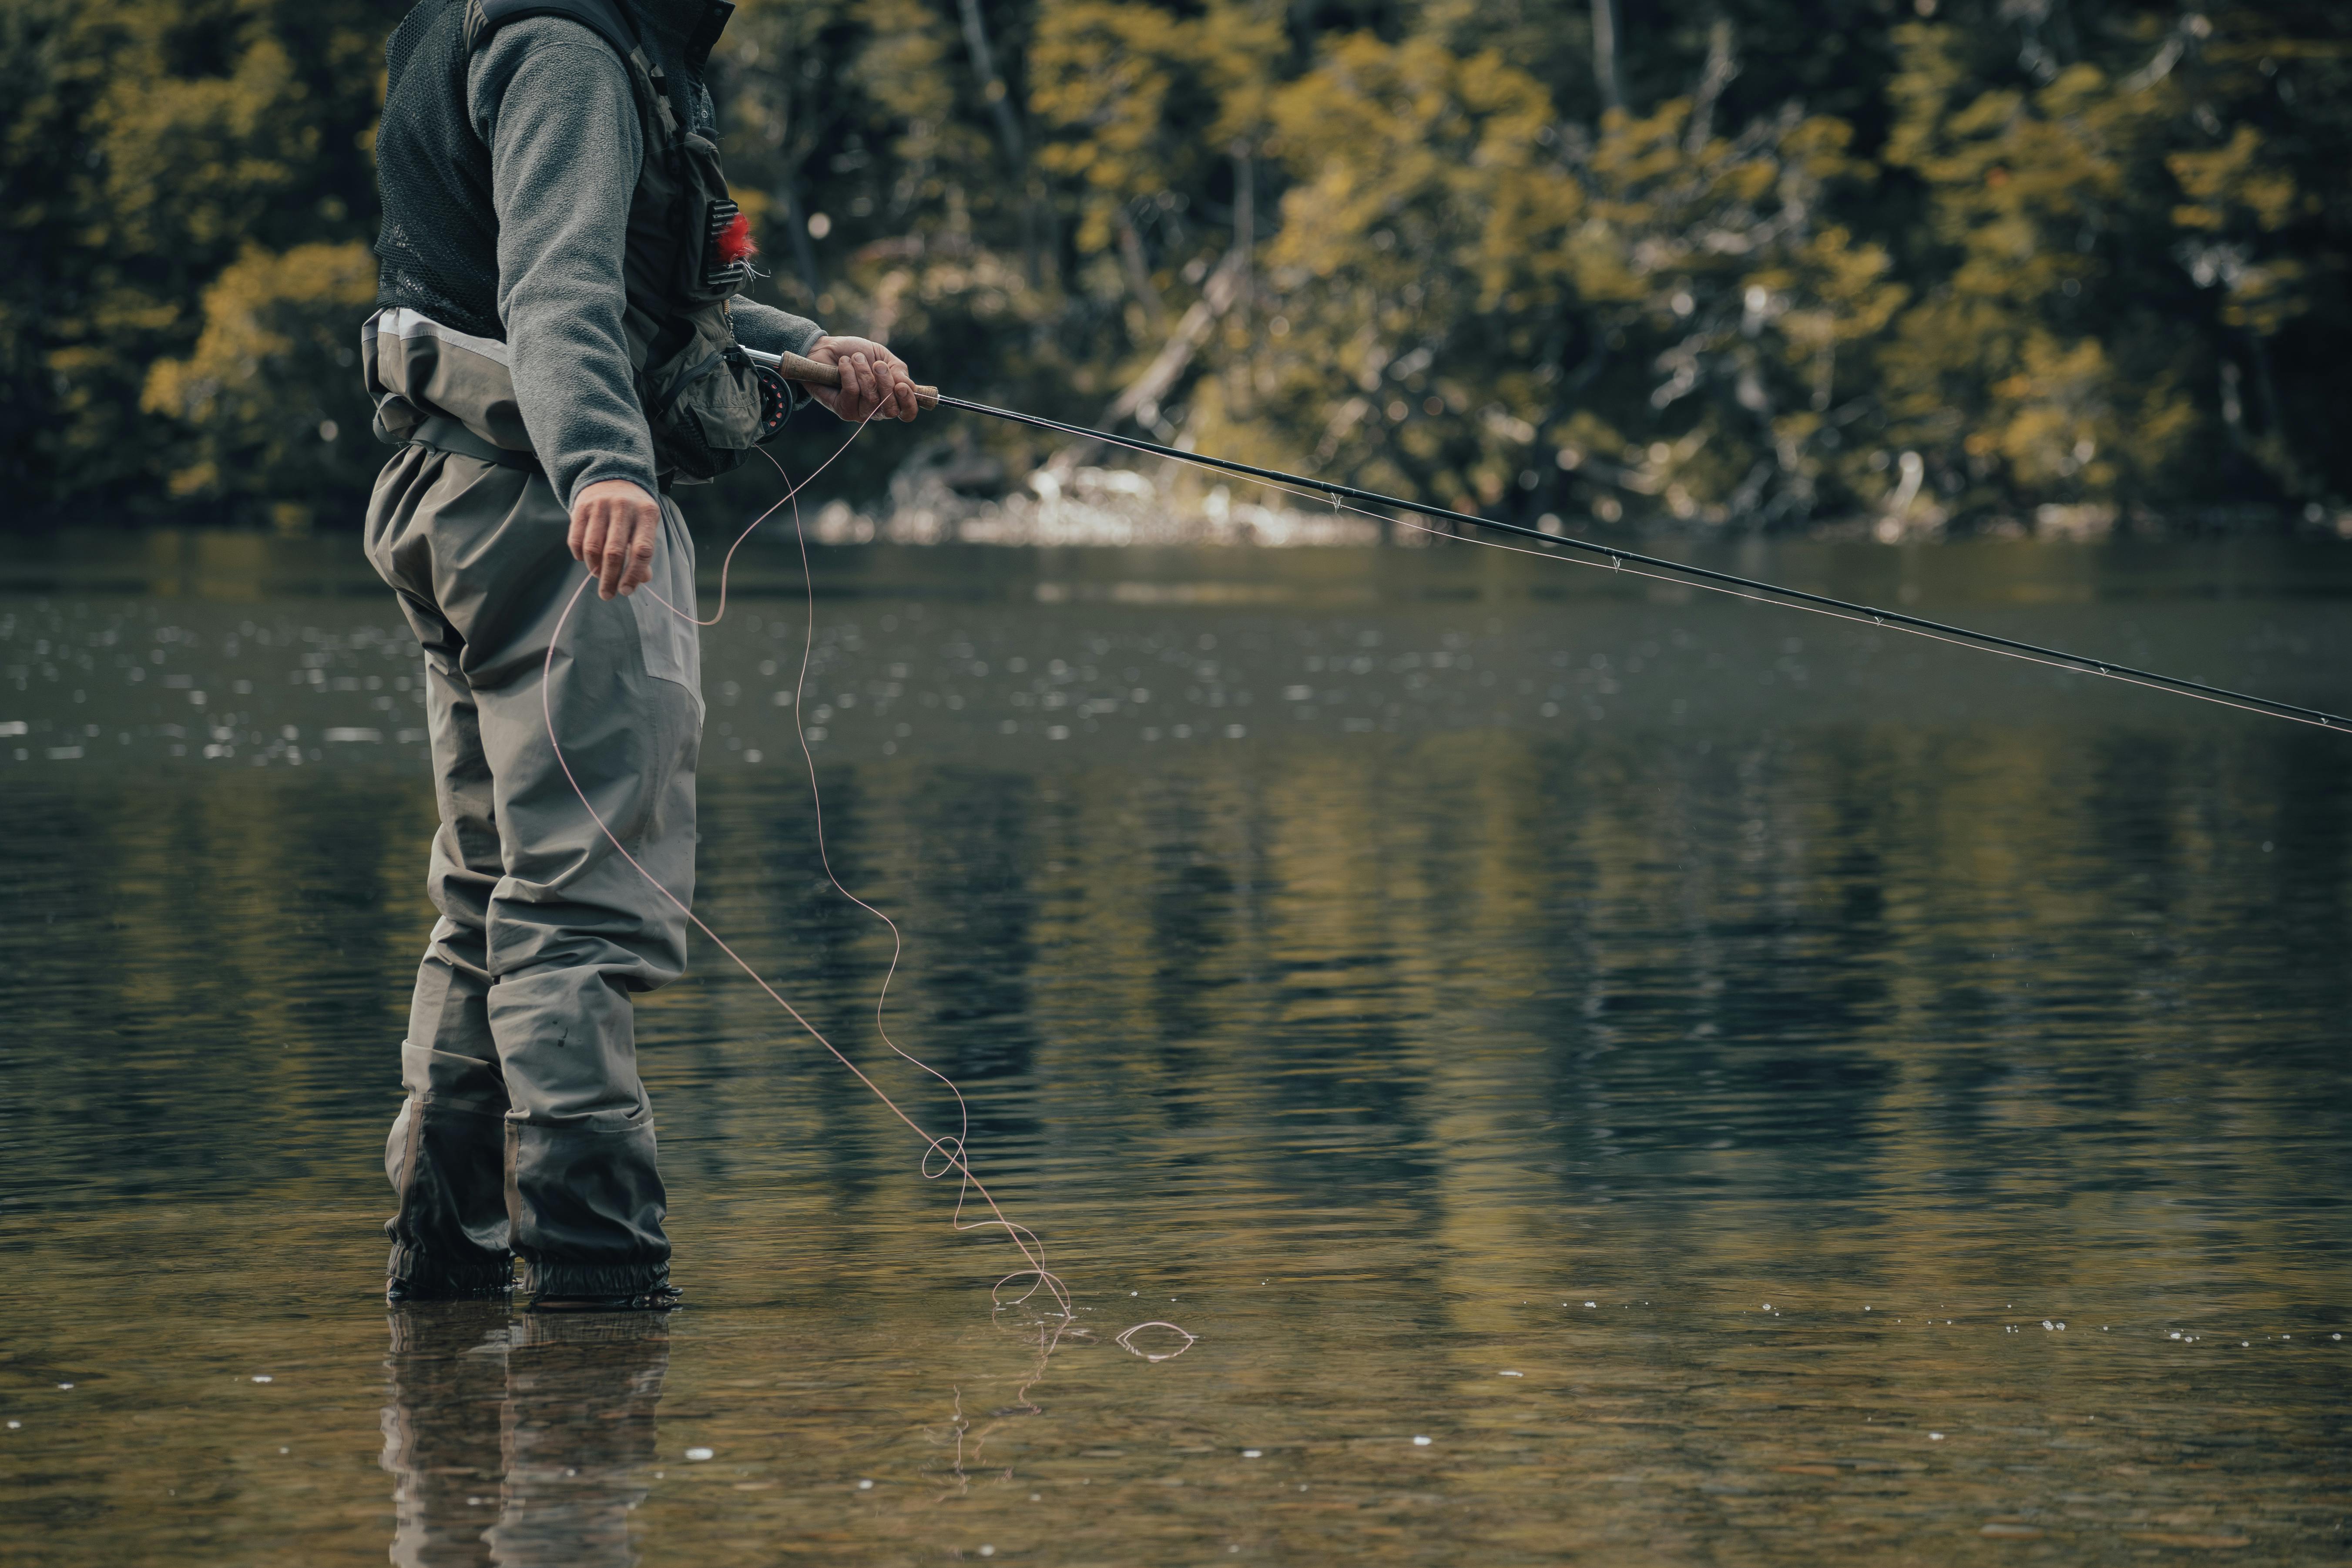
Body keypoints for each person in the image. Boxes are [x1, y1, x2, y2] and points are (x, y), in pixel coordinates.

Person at [360, 0, 919, 1311]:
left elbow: (630, 276)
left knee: (490, 906)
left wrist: (806, 354)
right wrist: (607, 464)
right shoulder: (570, 51)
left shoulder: (517, 26)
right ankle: (600, 1301)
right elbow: (555, 285)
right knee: (579, 914)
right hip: (554, 514)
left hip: (462, 491)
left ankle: (441, 1290)